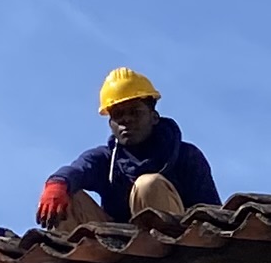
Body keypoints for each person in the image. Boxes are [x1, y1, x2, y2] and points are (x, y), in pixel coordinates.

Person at [38, 68, 224, 228]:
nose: (126, 120)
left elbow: (212, 215)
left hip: (178, 244)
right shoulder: (107, 160)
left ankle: (162, 253)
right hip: (117, 251)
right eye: (118, 115)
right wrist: (58, 183)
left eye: (135, 112)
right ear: (111, 123)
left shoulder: (186, 156)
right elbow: (78, 170)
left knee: (148, 185)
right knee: (68, 197)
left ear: (154, 117)